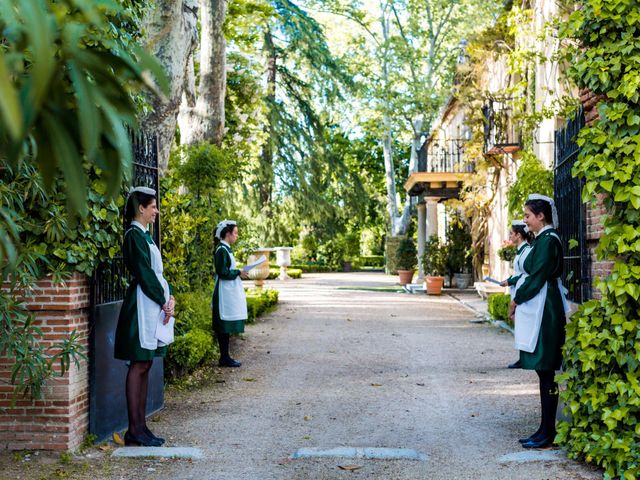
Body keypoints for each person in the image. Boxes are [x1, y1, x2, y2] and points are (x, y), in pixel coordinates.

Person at [114, 187, 175, 447]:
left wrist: (169, 298)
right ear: (141, 208)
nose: (156, 211)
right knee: (138, 364)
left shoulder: (146, 237)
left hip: (153, 304)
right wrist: (162, 300)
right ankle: (134, 430)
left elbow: (158, 273)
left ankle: (141, 427)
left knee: (146, 364)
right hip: (142, 305)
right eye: (153, 207)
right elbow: (143, 273)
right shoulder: (133, 235)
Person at [508, 194, 569, 449]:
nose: (525, 221)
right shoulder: (542, 240)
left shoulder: (548, 240)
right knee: (543, 372)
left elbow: (537, 275)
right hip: (543, 306)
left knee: (547, 371)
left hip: (547, 309)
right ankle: (544, 429)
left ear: (540, 216)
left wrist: (517, 298)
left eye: (527, 216)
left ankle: (548, 432)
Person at [212, 220, 249, 367]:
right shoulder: (221, 250)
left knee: (225, 325)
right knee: (223, 325)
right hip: (223, 292)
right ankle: (224, 357)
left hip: (227, 291)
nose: (237, 236)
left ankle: (225, 357)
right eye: (235, 233)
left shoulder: (225, 249)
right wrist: (238, 272)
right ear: (228, 234)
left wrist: (237, 272)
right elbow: (222, 272)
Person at [500, 220, 533, 369]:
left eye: (511, 234)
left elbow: (526, 274)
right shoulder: (521, 251)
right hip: (517, 290)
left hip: (522, 292)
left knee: (524, 325)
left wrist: (510, 280)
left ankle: (525, 358)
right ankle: (522, 357)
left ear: (519, 235)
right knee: (520, 325)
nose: (509, 236)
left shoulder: (527, 251)